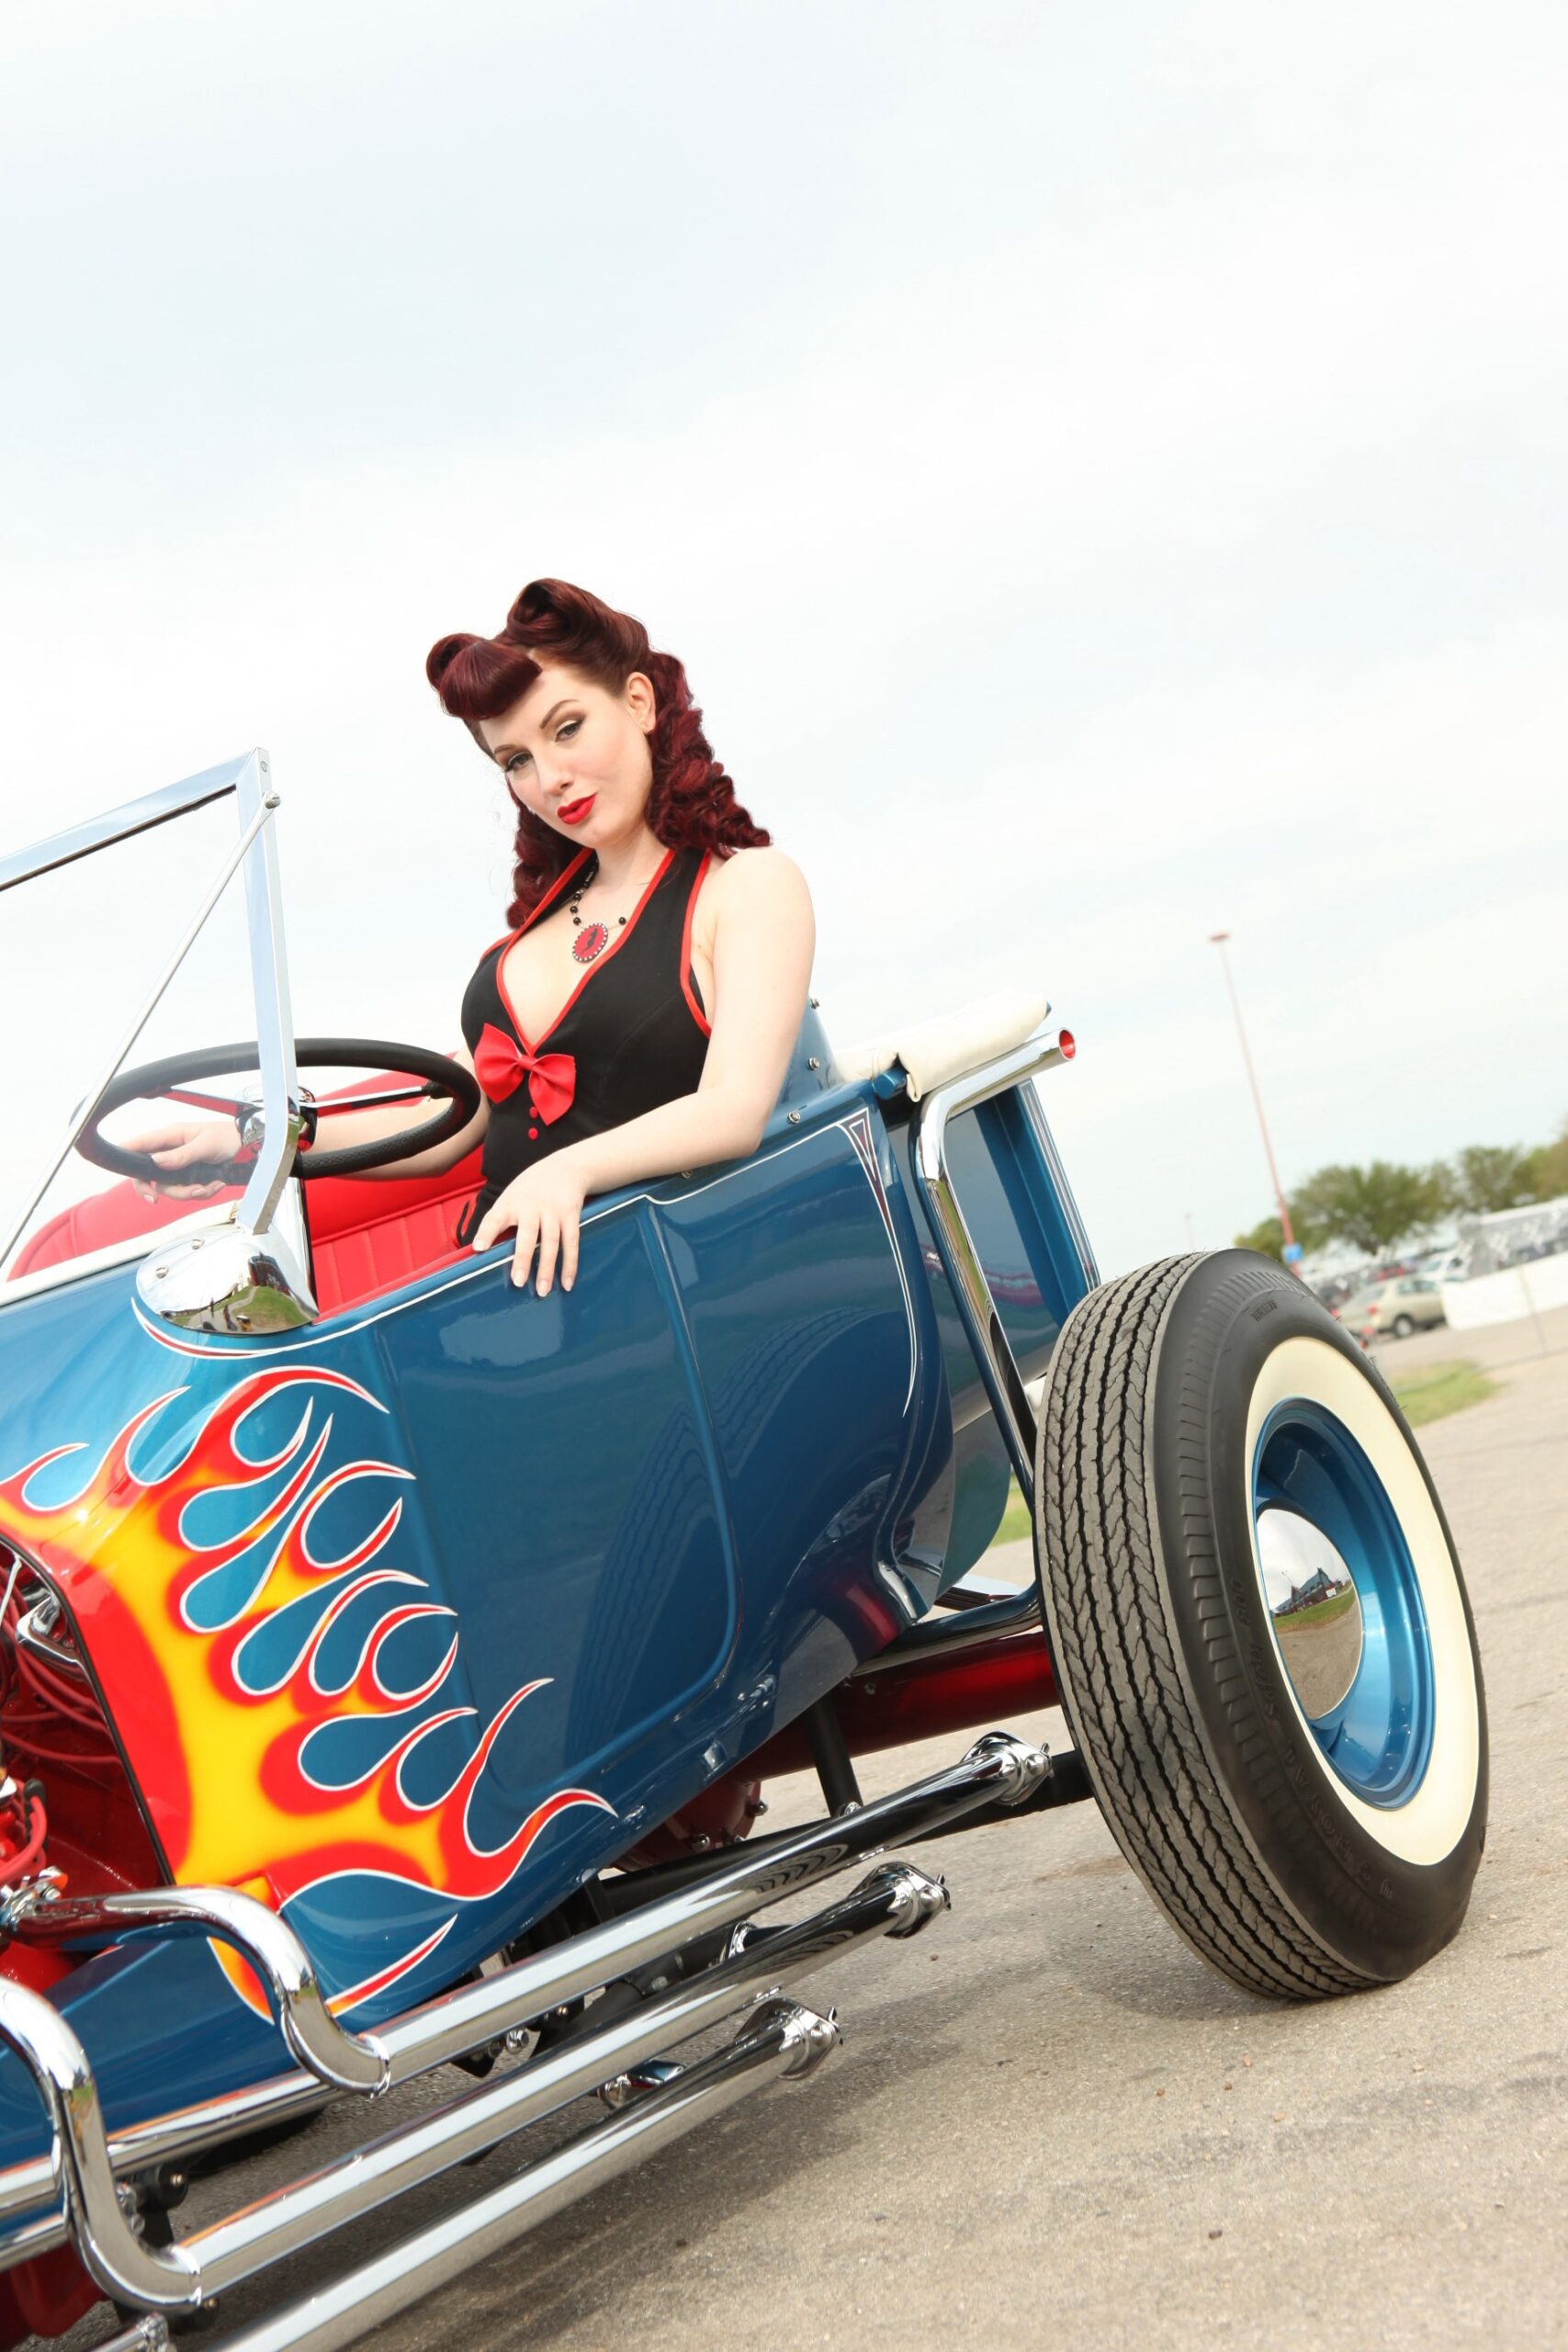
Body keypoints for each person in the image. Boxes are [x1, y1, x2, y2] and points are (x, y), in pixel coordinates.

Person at [125, 578, 816, 1295]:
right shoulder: (526, 941)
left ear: (638, 702)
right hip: (493, 1291)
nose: (549, 778)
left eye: (566, 728)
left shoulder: (746, 886)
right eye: (515, 760)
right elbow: (442, 1124)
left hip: (664, 1281)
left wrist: (571, 1169)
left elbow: (734, 1108)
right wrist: (249, 1139)